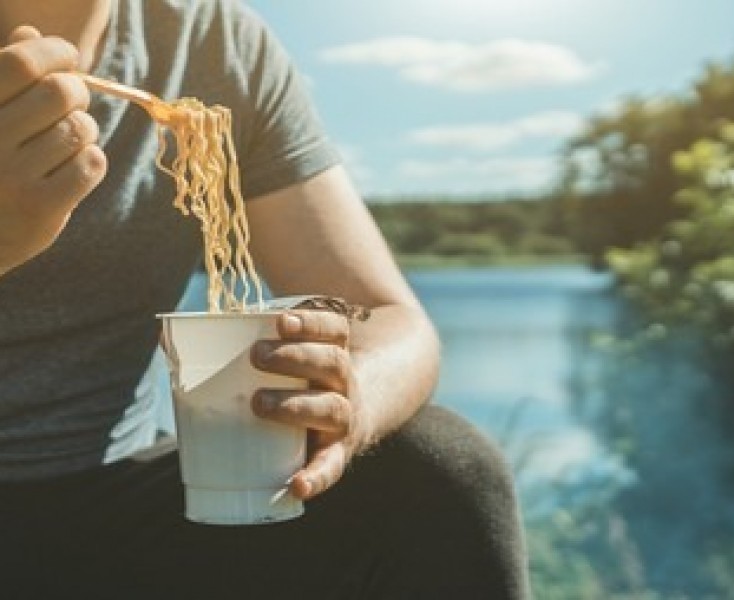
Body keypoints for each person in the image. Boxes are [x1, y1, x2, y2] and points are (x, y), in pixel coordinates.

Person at [0, 1, 531, 598]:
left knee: (439, 469)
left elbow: (389, 318)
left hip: (119, 497)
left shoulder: (212, 42)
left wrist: (349, 398)